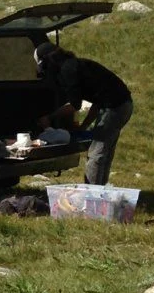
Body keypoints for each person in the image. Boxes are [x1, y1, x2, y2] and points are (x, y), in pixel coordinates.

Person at [34, 40, 133, 185]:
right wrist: (84, 127)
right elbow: (97, 101)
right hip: (121, 105)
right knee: (105, 152)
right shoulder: (76, 64)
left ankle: (92, 194)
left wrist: (50, 117)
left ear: (48, 62)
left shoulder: (68, 70)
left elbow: (75, 105)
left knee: (96, 153)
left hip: (116, 107)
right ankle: (100, 191)